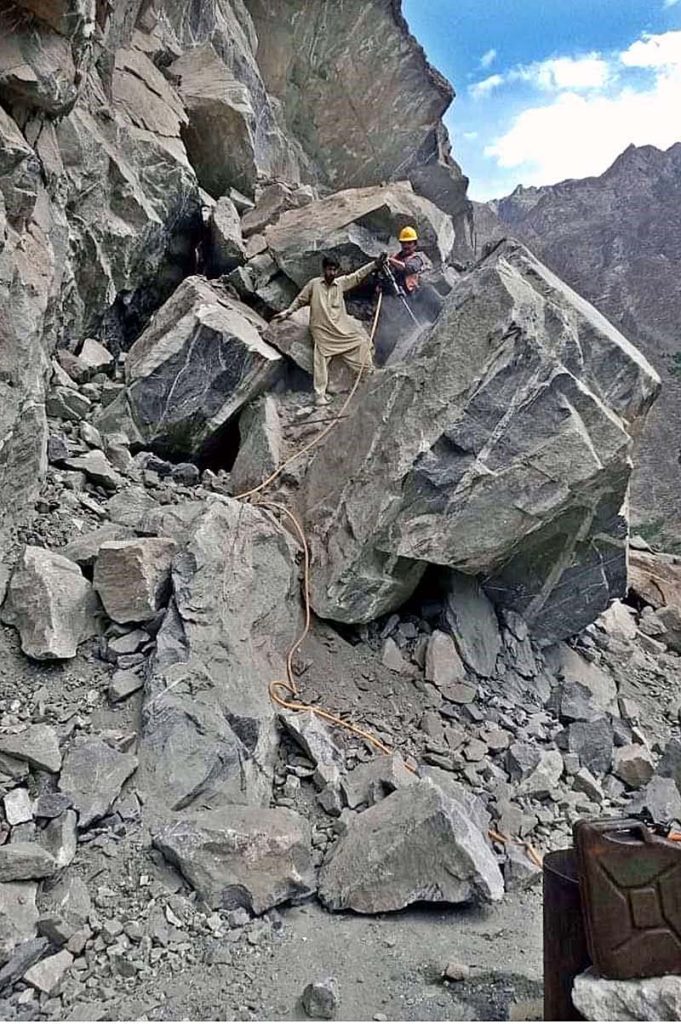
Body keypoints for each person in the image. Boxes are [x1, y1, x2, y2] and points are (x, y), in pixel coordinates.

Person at [273, 254, 385, 406]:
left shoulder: (340, 284)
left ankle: (369, 373)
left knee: (361, 343)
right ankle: (320, 395)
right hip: (321, 331)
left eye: (334, 270)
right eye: (329, 269)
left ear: (337, 271)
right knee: (321, 359)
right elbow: (300, 300)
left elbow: (357, 276)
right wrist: (288, 312)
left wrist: (374, 264)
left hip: (340, 330)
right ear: (323, 269)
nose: (331, 273)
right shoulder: (314, 284)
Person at [374, 225, 444, 365]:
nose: (406, 245)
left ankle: (442, 320)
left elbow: (410, 268)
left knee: (430, 294)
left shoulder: (417, 258)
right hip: (398, 299)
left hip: (415, 295)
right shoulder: (395, 258)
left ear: (415, 244)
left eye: (409, 243)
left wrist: (390, 260)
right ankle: (380, 360)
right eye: (404, 243)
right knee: (389, 329)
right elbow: (385, 277)